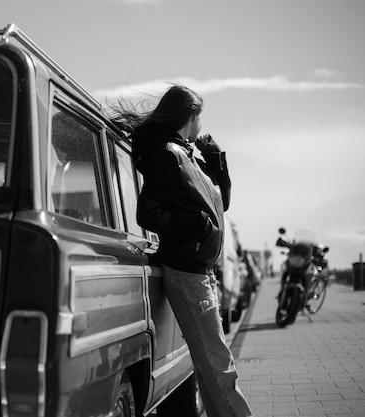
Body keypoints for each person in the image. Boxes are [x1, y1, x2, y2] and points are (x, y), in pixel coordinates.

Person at [112, 84, 253, 417]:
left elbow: (223, 202)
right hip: (187, 272)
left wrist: (216, 159)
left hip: (199, 272)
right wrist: (194, 228)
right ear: (192, 115)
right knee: (218, 363)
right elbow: (148, 211)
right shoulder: (167, 155)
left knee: (211, 364)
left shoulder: (185, 154)